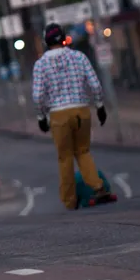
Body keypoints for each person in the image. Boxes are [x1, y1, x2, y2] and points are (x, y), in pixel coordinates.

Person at [32, 22, 110, 211]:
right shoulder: (79, 57)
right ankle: (98, 186)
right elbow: (95, 84)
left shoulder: (41, 64)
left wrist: (41, 117)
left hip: (58, 115)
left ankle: (69, 200)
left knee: (65, 157)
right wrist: (99, 106)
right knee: (83, 151)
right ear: (64, 37)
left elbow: (38, 96)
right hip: (81, 111)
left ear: (46, 41)